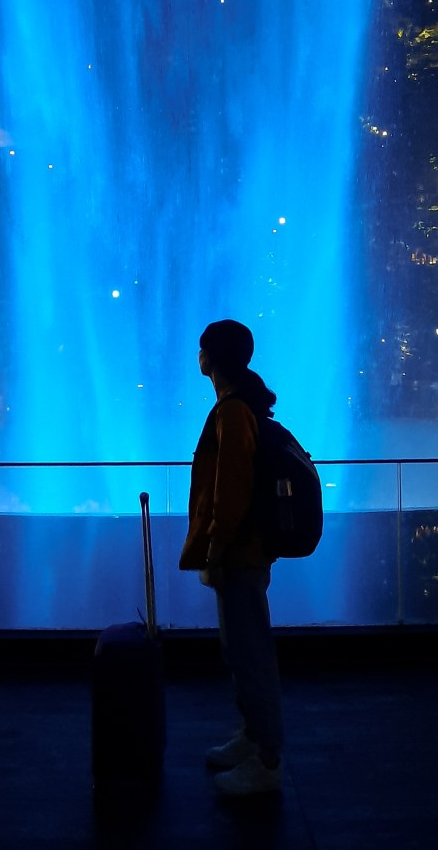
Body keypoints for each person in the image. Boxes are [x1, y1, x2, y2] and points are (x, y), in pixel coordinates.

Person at [179, 319, 283, 797]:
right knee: (239, 650)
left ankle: (266, 760)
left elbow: (232, 490)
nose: (197, 354)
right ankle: (251, 737)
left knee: (251, 653)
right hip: (242, 552)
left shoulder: (233, 412)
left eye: (202, 348)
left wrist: (216, 550)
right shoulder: (237, 406)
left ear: (213, 356)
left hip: (240, 554)